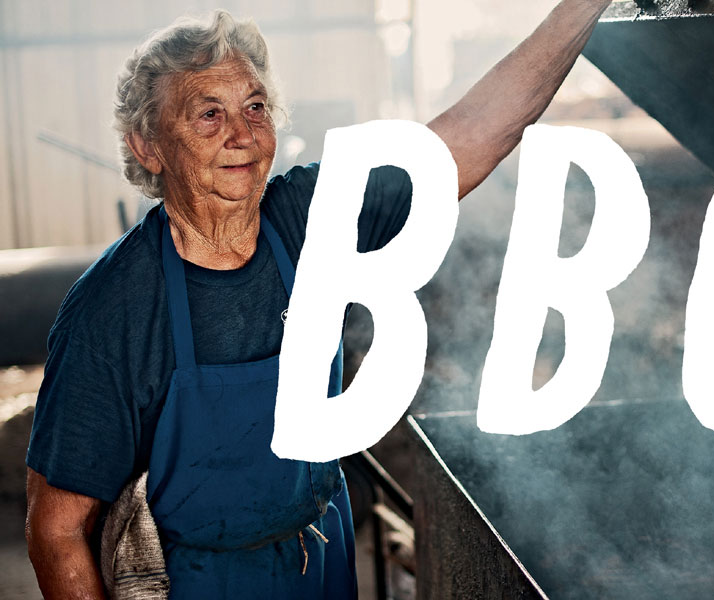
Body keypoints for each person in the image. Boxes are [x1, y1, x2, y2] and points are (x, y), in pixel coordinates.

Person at [24, 1, 613, 598]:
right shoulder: (111, 309)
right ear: (148, 146)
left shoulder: (309, 218)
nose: (242, 134)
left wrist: (585, 5)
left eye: (256, 107)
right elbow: (57, 531)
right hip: (201, 580)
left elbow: (467, 138)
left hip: (320, 560)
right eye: (209, 114)